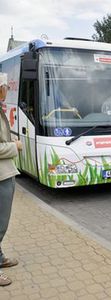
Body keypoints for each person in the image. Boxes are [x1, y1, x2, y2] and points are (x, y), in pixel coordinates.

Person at [0, 73, 22, 286]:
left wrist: (9, 140)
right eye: (5, 86)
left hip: (5, 173)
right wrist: (13, 147)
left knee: (1, 223)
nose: (7, 89)